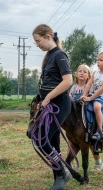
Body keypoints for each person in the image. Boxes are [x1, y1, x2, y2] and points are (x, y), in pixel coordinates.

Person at [32, 24, 73, 190]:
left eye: (38, 41)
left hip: (59, 104)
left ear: (48, 36)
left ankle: (62, 174)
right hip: (48, 104)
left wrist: (48, 97)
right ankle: (59, 179)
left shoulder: (60, 55)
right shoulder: (49, 56)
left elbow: (68, 81)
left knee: (42, 139)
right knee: (52, 142)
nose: (37, 45)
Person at [69, 64, 103, 172]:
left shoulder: (89, 86)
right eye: (80, 71)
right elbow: (69, 99)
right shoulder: (73, 87)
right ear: (76, 73)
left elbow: (92, 98)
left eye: (85, 72)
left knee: (89, 141)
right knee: (71, 141)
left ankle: (98, 163)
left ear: (89, 75)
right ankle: (70, 163)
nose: (81, 73)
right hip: (76, 118)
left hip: (86, 115)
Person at [80, 52, 103, 141]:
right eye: (97, 60)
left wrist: (90, 98)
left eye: (101, 60)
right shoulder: (95, 73)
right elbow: (89, 84)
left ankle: (100, 129)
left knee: (97, 107)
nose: (98, 62)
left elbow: (101, 90)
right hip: (93, 94)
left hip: (102, 97)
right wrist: (84, 94)